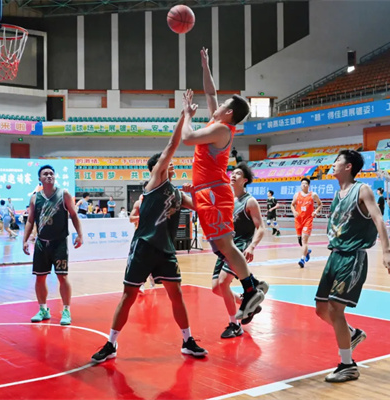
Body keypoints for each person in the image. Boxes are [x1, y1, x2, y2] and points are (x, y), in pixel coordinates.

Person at [91, 91, 207, 363]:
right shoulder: (155, 183)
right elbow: (171, 145)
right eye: (165, 163)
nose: (170, 164)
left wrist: (199, 192)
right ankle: (111, 344)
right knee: (129, 295)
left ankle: (187, 340)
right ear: (157, 168)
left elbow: (201, 208)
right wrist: (185, 116)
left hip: (165, 250)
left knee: (176, 295)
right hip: (143, 247)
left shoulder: (177, 194)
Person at [180, 47, 266, 321]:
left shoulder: (220, 129)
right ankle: (252, 285)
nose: (215, 105)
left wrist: (187, 115)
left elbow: (187, 138)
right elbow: (210, 93)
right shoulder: (218, 122)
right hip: (208, 193)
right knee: (220, 247)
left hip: (215, 193)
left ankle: (250, 289)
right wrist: (205, 66)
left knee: (226, 246)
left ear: (228, 113)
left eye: (221, 105)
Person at [315, 150, 390, 383]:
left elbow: (378, 219)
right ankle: (352, 334)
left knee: (335, 309)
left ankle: (348, 365)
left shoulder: (362, 190)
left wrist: (387, 251)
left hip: (353, 256)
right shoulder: (337, 194)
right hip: (335, 255)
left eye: (337, 161)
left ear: (348, 166)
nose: (333, 164)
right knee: (321, 309)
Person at [209, 162, 267, 338]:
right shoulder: (228, 200)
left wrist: (252, 246)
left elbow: (261, 228)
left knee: (223, 283)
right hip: (225, 245)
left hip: (240, 246)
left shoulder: (250, 201)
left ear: (245, 180)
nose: (233, 175)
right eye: (232, 173)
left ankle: (234, 325)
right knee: (216, 288)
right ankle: (249, 302)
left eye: (238, 173)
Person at [23, 165, 83, 326]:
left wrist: (80, 235)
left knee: (62, 276)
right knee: (40, 277)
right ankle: (43, 309)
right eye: (45, 174)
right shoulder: (35, 198)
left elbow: (74, 215)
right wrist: (25, 240)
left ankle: (66, 310)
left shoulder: (63, 194)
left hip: (59, 243)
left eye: (51, 173)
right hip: (41, 243)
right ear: (40, 179)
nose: (49, 176)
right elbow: (30, 221)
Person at [291, 177, 323, 268]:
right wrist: (294, 211)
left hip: (308, 220)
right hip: (298, 220)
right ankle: (307, 251)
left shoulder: (313, 195)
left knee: (304, 239)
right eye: (302, 184)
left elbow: (320, 204)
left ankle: (302, 259)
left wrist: (316, 211)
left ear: (308, 185)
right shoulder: (297, 195)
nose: (303, 185)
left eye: (305, 183)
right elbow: (292, 205)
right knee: (300, 241)